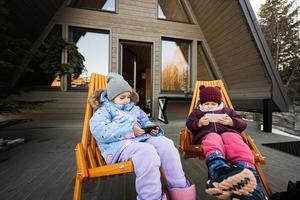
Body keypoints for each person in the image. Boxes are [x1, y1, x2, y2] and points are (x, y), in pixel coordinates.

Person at [89, 72, 196, 200]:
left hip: (140, 140)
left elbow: (145, 121)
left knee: (165, 143)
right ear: (111, 97)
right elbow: (100, 130)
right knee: (147, 152)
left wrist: (151, 129)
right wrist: (130, 130)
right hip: (118, 147)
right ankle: (151, 197)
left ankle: (181, 189)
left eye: (128, 97)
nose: (127, 100)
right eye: (122, 97)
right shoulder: (105, 110)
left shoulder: (134, 108)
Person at [186, 86, 266, 200]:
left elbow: (242, 124)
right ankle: (219, 170)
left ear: (218, 103)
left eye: (213, 104)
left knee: (234, 139)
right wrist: (198, 123)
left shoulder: (227, 111)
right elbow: (189, 123)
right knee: (212, 138)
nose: (209, 106)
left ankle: (247, 173)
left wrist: (231, 122)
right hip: (208, 134)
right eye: (206, 103)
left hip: (228, 132)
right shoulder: (197, 112)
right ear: (201, 102)